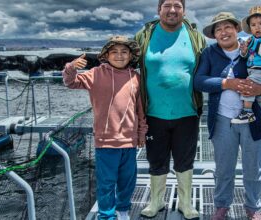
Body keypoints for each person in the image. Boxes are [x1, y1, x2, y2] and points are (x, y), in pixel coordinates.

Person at [194, 12, 261, 220]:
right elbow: (199, 81)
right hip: (222, 119)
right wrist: (226, 83)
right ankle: (222, 206)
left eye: (227, 27)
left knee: (254, 167)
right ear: (214, 35)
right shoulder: (209, 53)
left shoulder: (251, 46)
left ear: (236, 29)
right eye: (218, 29)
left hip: (255, 119)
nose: (223, 32)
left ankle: (253, 207)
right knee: (223, 168)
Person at [62, 35, 148, 220]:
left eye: (124, 52)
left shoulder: (136, 77)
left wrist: (141, 133)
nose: (119, 55)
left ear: (131, 55)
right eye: (114, 52)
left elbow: (140, 108)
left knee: (128, 181)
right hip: (105, 142)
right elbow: (71, 82)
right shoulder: (95, 73)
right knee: (106, 183)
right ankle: (106, 215)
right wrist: (70, 68)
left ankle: (123, 210)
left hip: (129, 141)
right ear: (106, 55)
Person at [134, 0, 206, 219]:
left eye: (177, 5)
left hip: (187, 112)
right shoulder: (144, 35)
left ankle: (185, 203)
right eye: (167, 5)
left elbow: (211, 64)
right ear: (159, 10)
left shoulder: (195, 36)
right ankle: (156, 201)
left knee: (185, 160)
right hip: (154, 113)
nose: (172, 10)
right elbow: (123, 62)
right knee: (156, 159)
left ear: (184, 10)